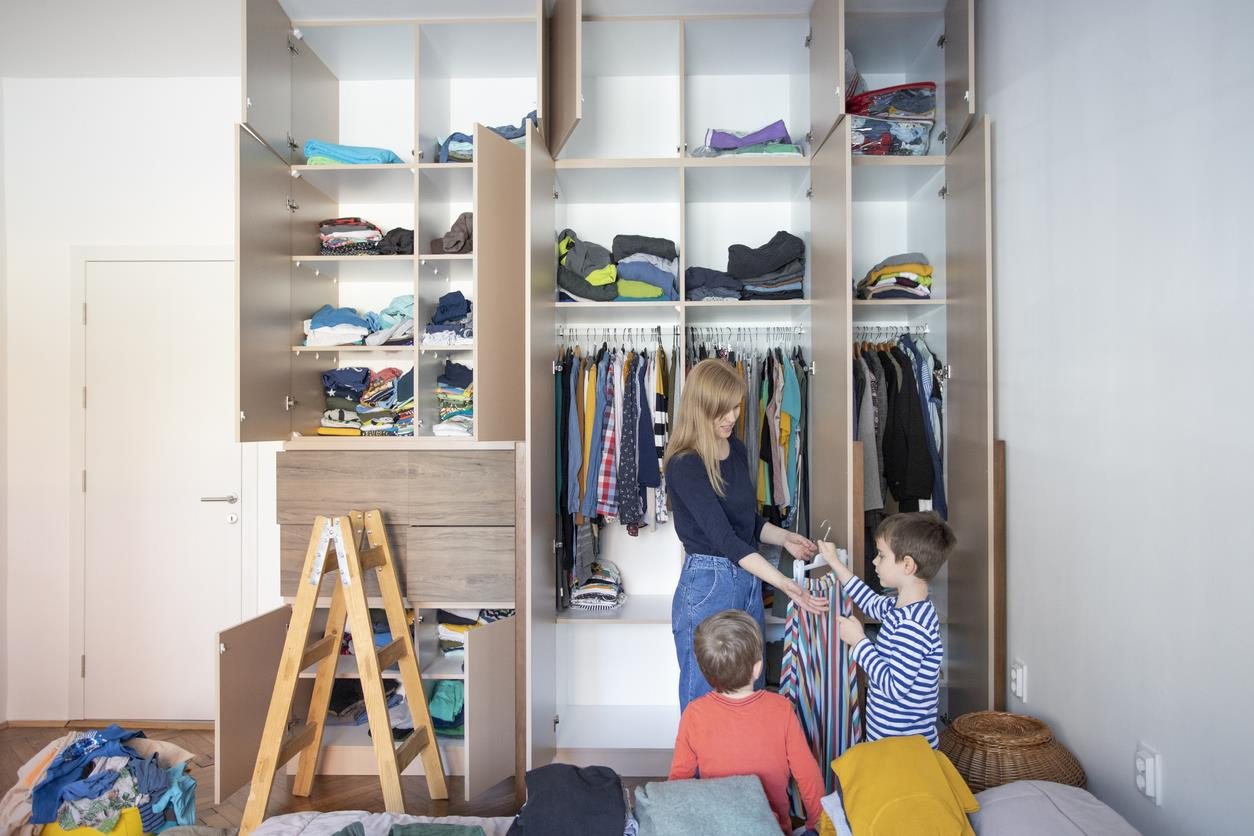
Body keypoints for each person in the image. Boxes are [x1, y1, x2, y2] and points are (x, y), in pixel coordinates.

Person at [664, 358, 827, 712]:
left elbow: (745, 522)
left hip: (746, 581)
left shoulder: (734, 448)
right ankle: (699, 771)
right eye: (721, 410)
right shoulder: (684, 464)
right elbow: (723, 539)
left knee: (746, 694)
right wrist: (784, 584)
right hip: (708, 585)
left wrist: (784, 538)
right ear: (700, 408)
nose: (732, 416)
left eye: (736, 406)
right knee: (703, 699)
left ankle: (741, 769)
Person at [668, 610, 825, 836]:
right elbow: (807, 774)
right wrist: (817, 825)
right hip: (772, 830)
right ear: (757, 667)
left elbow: (678, 782)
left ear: (705, 672)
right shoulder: (781, 709)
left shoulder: (694, 714)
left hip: (719, 827)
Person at [818, 511, 955, 746]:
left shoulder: (913, 626)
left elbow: (895, 687)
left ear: (908, 565)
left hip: (904, 748)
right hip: (887, 739)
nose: (875, 561)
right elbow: (868, 600)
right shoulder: (899, 607)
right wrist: (835, 563)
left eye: (881, 556)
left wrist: (859, 643)